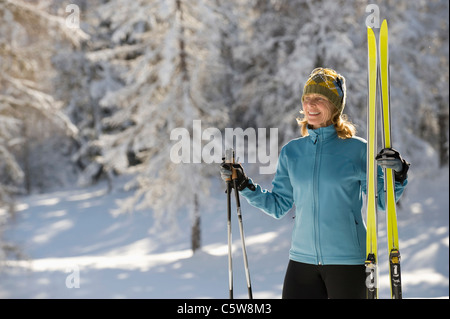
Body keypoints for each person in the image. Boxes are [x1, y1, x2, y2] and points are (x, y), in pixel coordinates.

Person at [220, 68, 410, 299]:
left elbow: (381, 203)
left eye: (319, 99)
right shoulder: (292, 152)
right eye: (307, 99)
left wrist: (398, 175)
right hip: (302, 261)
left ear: (334, 106)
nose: (311, 105)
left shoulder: (358, 150)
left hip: (348, 260)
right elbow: (279, 205)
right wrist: (243, 184)